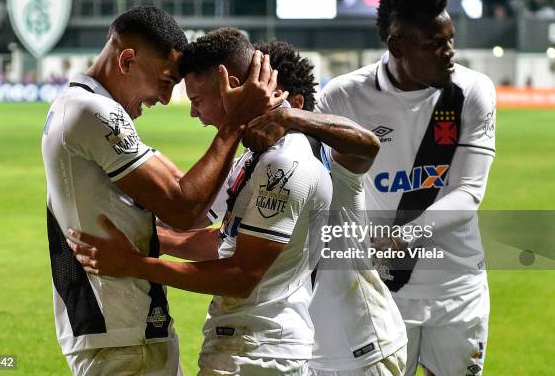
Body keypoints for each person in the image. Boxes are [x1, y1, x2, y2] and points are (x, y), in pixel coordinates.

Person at [68, 28, 374, 375]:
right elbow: (215, 234)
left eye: (197, 100)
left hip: (260, 356)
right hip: (245, 348)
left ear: (232, 86)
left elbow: (240, 275)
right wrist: (150, 237)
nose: (193, 114)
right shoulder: (255, 156)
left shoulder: (284, 163)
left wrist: (133, 264)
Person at [42, 7, 281, 375]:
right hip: (118, 335)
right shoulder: (92, 112)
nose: (167, 99)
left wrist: (254, 131)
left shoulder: (82, 106)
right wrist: (233, 124)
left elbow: (196, 208)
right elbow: (183, 208)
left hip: (127, 331)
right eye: (167, 80)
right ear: (127, 60)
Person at [314, 0, 495, 376]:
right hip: (381, 288)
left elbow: (468, 192)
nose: (449, 54)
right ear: (397, 46)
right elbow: (325, 189)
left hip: (458, 284)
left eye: (451, 41)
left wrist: (404, 235)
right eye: (434, 45)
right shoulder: (344, 97)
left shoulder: (472, 91)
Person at [247, 41, 408, 376]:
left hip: (364, 351)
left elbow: (366, 146)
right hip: (310, 352)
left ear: (295, 104)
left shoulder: (330, 162)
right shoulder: (256, 166)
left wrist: (291, 118)